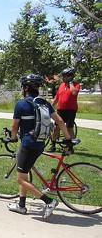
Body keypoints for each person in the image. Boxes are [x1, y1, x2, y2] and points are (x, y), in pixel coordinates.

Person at [7, 73, 71, 218]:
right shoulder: (44, 103)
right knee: (23, 172)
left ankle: (49, 201)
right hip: (40, 143)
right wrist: (68, 139)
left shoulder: (21, 104)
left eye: (22, 87)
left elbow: (14, 125)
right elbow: (60, 121)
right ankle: (21, 205)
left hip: (28, 144)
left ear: (25, 88)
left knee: (20, 178)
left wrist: (12, 138)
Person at [47, 67, 80, 154]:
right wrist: (51, 105)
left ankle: (70, 147)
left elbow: (74, 92)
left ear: (70, 77)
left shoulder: (76, 85)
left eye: (64, 76)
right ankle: (53, 145)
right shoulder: (61, 85)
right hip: (61, 109)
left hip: (71, 110)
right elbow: (57, 97)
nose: (62, 78)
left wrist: (70, 83)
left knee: (69, 128)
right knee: (56, 127)